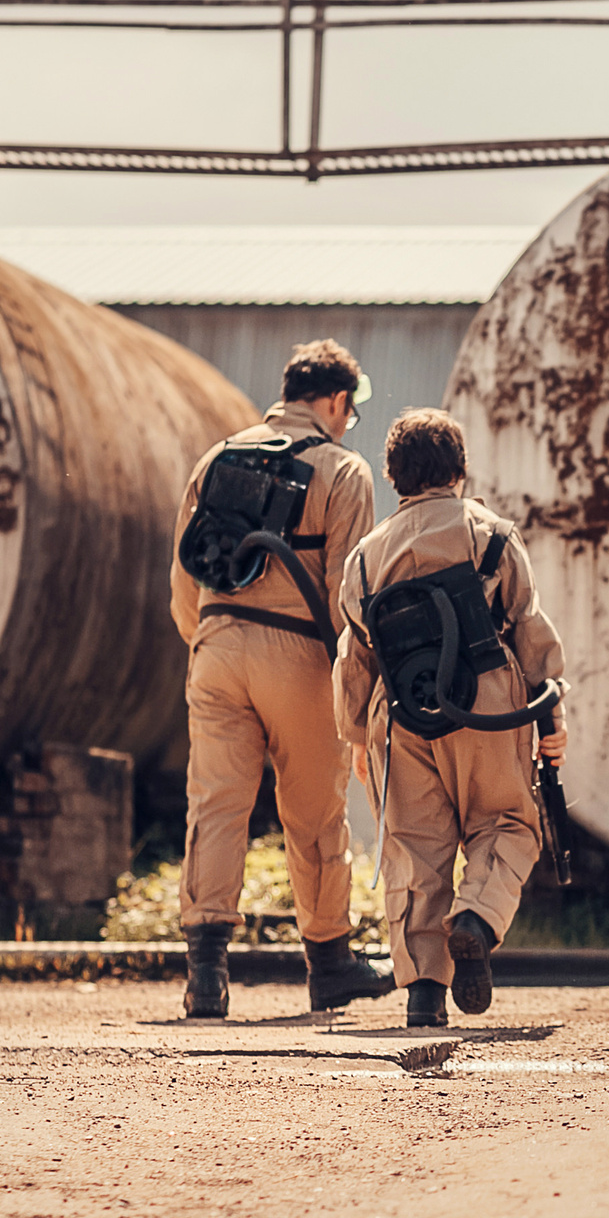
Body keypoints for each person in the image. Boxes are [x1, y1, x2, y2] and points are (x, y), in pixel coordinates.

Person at [171, 338, 393, 1019]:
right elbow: (345, 594)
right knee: (314, 812)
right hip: (297, 655)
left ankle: (206, 976)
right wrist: (353, 690)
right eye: (349, 410)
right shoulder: (343, 469)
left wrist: (210, 640)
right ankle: (329, 964)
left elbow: (185, 579)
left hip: (214, 645)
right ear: (333, 401)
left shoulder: (217, 457)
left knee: (215, 804)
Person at [333, 409, 568, 1026]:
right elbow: (528, 625)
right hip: (488, 697)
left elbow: (353, 656)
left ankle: (423, 996)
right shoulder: (489, 533)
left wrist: (356, 735)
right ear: (459, 469)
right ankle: (476, 919)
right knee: (508, 824)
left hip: (403, 712)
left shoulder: (363, 560)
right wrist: (552, 717)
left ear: (393, 476)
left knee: (414, 852)